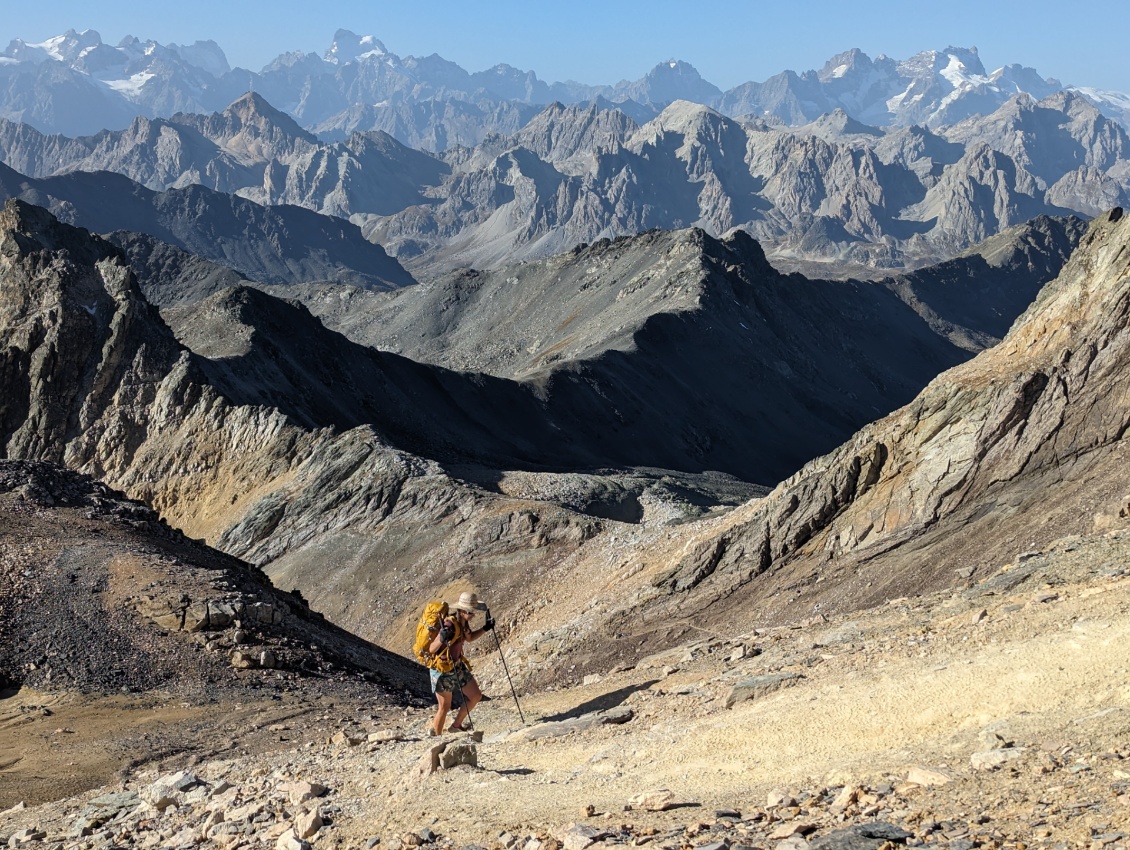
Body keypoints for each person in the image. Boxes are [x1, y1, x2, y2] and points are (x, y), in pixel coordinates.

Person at [429, 591, 495, 736]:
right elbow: (432, 648)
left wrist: (485, 628)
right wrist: (441, 637)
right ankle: (436, 741)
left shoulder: (463, 624)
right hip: (442, 669)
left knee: (475, 696)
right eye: (471, 612)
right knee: (444, 707)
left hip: (457, 666)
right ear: (463, 611)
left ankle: (456, 726)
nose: (473, 615)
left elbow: (469, 639)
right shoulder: (449, 624)